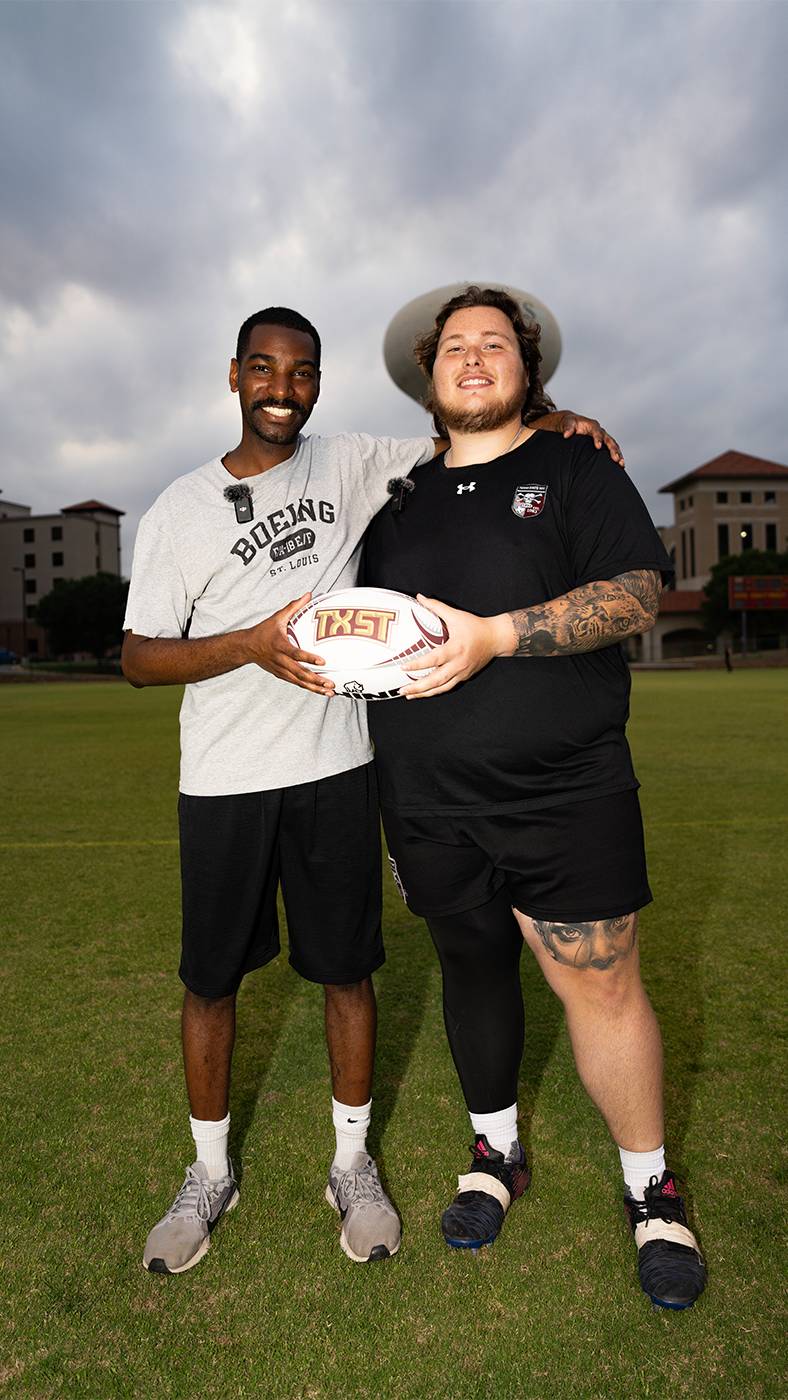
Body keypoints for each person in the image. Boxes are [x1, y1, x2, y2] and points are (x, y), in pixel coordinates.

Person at [121, 304, 619, 1275]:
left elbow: (464, 437)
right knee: (210, 980)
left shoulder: (353, 461)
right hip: (222, 778)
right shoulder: (178, 507)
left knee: (347, 971)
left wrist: (556, 421)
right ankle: (209, 1170)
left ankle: (352, 1164)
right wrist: (253, 643)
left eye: (299, 371)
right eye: (262, 369)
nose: (280, 387)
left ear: (316, 381)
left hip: (339, 769)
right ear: (233, 377)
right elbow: (138, 657)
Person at [362, 286, 706, 1310]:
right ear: (427, 377)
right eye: (454, 346)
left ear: (528, 367)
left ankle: (650, 1186)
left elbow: (636, 593)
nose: (473, 357)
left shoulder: (573, 466)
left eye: (495, 344)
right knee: (470, 969)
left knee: (598, 985)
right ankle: (495, 1150)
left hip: (564, 790)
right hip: (424, 797)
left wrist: (493, 634)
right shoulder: (396, 501)